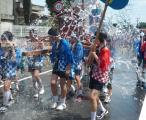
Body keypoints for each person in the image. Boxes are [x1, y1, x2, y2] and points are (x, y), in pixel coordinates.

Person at [49, 28, 74, 110]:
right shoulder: (55, 42)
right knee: (53, 83)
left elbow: (70, 56)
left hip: (64, 65)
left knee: (63, 84)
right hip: (57, 64)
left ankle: (62, 103)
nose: (49, 38)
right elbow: (53, 53)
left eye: (50, 36)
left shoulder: (65, 43)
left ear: (54, 36)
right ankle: (55, 100)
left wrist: (68, 68)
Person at [87, 32, 111, 120]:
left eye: (95, 38)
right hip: (94, 74)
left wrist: (93, 53)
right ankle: (103, 110)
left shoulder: (105, 50)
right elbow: (90, 60)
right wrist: (92, 52)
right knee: (95, 96)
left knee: (92, 97)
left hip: (101, 76)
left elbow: (102, 65)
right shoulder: (98, 47)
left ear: (99, 39)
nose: (94, 40)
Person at [0, 31, 17, 112]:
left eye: (4, 38)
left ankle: (5, 104)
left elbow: (15, 58)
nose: (2, 39)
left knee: (6, 86)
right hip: (3, 69)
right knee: (6, 86)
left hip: (10, 69)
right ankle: (10, 99)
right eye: (2, 38)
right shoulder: (1, 46)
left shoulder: (12, 46)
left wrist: (12, 48)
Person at [25, 29, 45, 98]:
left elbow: (43, 50)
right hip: (30, 61)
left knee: (36, 75)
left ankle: (42, 87)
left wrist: (40, 44)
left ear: (35, 34)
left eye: (32, 33)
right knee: (33, 78)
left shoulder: (39, 41)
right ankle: (36, 92)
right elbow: (26, 50)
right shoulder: (28, 42)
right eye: (30, 33)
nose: (30, 35)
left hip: (38, 61)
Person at [68, 33, 84, 100]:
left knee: (77, 77)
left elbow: (78, 56)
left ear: (74, 38)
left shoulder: (79, 45)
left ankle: (80, 92)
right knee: (69, 77)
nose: (70, 39)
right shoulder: (72, 44)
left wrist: (72, 62)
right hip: (72, 63)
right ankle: (72, 89)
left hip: (77, 64)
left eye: (71, 38)